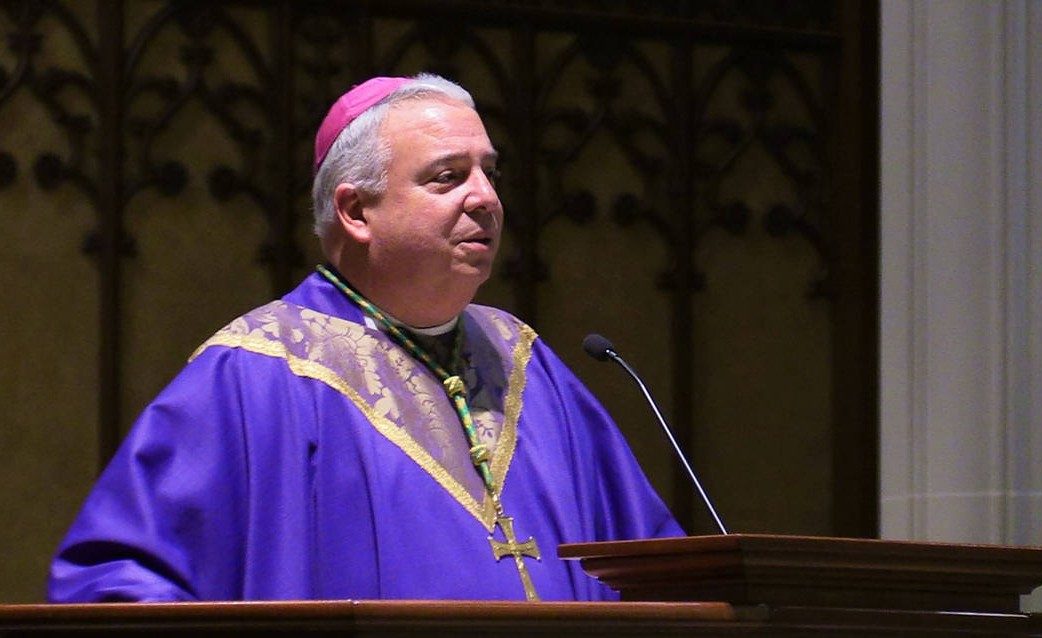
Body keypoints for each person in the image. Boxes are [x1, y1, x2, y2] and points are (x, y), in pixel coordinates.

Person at [47, 73, 682, 603]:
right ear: (356, 212)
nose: (486, 198)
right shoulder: (260, 370)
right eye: (447, 177)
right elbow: (113, 584)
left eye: (489, 173)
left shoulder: (522, 360)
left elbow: (659, 572)